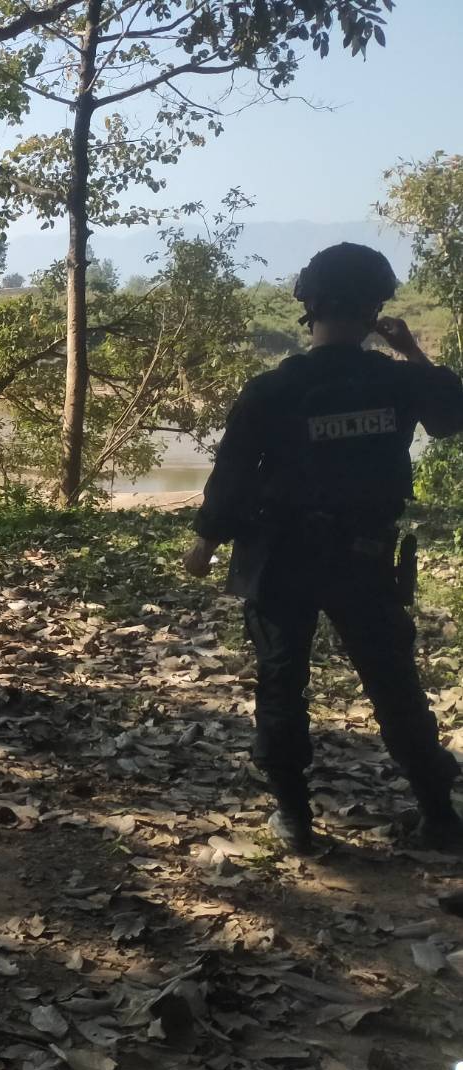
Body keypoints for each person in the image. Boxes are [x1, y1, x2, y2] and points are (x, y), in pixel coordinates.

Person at [184, 243, 463, 854]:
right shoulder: (397, 382)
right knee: (393, 682)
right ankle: (439, 814)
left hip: (281, 557)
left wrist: (206, 539)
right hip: (364, 558)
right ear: (374, 310)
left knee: (282, 680)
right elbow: (450, 416)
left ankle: (294, 817)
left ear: (308, 305)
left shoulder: (273, 389)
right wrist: (411, 351)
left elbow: (233, 473)